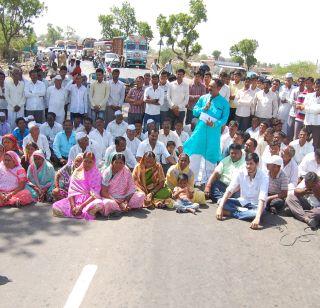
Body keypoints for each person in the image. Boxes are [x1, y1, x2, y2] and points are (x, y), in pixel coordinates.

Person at [184, 79, 230, 184]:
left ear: (219, 88)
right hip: (199, 132)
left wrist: (215, 124)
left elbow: (224, 119)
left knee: (210, 159)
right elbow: (195, 111)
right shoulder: (203, 98)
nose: (209, 88)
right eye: (209, 86)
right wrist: (203, 109)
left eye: (212, 87)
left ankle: (206, 183)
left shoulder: (224, 103)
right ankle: (192, 181)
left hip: (213, 134)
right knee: (195, 156)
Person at [216, 153, 269, 230]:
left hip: (256, 205)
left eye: (251, 164)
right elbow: (230, 189)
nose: (248, 166)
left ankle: (231, 213)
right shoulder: (241, 172)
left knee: (259, 213)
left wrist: (257, 218)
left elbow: (262, 197)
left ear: (257, 164)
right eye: (247, 164)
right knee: (220, 201)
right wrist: (220, 208)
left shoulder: (264, 177)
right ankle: (243, 213)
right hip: (242, 201)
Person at [52, 152, 103, 220]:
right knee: (55, 208)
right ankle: (78, 211)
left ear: (94, 162)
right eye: (85, 161)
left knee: (98, 204)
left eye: (90, 162)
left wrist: (81, 206)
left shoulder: (97, 174)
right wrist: (73, 206)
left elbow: (95, 194)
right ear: (83, 161)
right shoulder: (77, 172)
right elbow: (71, 191)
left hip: (89, 200)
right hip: (76, 199)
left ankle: (85, 211)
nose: (87, 164)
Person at [296, 78, 320, 149]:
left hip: (317, 125)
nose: (317, 88)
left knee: (315, 144)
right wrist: (312, 109)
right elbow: (302, 109)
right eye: (316, 87)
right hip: (307, 123)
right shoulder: (309, 95)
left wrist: (306, 107)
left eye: (319, 87)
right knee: (305, 142)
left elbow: (317, 110)